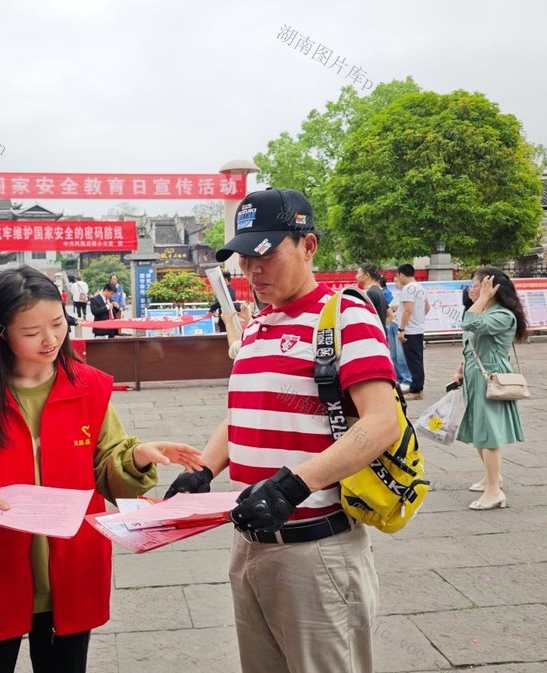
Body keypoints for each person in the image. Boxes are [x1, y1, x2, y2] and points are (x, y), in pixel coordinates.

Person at [0, 265, 203, 673]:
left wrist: (137, 456)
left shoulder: (87, 387)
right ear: (0, 332)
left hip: (69, 572)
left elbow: (108, 463)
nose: (50, 339)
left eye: (57, 324)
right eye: (32, 331)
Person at [166, 188, 399, 673]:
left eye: (266, 255)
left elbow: (382, 422)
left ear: (308, 246)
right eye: (245, 258)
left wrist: (295, 485)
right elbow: (244, 412)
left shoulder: (346, 315)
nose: (253, 270)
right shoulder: (258, 325)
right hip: (250, 543)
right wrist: (203, 470)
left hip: (316, 551)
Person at [454, 268, 527, 511]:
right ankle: (492, 477)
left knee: (488, 434)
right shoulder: (485, 310)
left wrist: (484, 297)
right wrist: (461, 366)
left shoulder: (502, 315)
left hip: (490, 377)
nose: (471, 290)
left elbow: (469, 323)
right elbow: (472, 341)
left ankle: (494, 492)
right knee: (479, 430)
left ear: (492, 288)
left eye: (476, 285)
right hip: (476, 375)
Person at [396, 263, 430, 400]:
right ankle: (415, 386)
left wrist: (402, 329)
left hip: (410, 330)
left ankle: (416, 390)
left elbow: (408, 310)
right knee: (416, 360)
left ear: (401, 274)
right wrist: (419, 320)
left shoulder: (408, 288)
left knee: (414, 361)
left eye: (398, 276)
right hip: (417, 329)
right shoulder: (419, 287)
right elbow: (427, 307)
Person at [386, 275, 412, 392]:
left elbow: (402, 308)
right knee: (394, 355)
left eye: (397, 281)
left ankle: (407, 379)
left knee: (401, 355)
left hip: (401, 324)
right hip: (393, 323)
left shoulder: (407, 293)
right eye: (394, 281)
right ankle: (399, 378)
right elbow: (391, 307)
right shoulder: (397, 294)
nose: (396, 283)